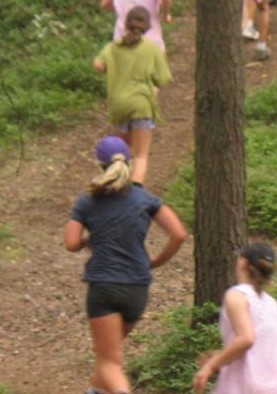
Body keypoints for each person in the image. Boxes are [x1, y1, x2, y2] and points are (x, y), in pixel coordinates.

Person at [65, 136, 187, 394]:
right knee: (107, 354)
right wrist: (156, 261)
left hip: (104, 287)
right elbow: (178, 234)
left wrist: (89, 239)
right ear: (130, 164)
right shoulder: (146, 199)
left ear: (100, 166)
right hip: (137, 289)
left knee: (109, 361)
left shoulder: (88, 200)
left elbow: (71, 243)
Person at [192, 242, 277, 394]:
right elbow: (260, 350)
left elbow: (247, 338)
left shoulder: (237, 295)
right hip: (275, 385)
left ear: (243, 263)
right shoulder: (273, 304)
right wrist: (222, 357)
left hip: (242, 385)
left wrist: (211, 365)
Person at [93, 6, 172, 184]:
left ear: (125, 24)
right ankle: (136, 190)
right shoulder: (152, 49)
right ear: (147, 27)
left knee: (119, 152)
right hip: (142, 105)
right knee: (140, 154)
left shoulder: (113, 47)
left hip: (119, 106)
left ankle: (115, 183)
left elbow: (98, 65)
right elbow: (163, 78)